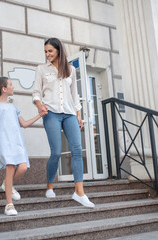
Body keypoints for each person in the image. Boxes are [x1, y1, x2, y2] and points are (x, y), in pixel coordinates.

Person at [33, 37, 95, 208]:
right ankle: (50, 185)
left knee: (76, 149)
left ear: (58, 50)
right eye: (45, 51)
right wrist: (40, 105)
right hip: (51, 113)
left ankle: (79, 192)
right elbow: (36, 92)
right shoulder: (41, 69)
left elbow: (75, 94)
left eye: (50, 51)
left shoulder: (71, 70)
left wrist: (78, 115)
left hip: (69, 114)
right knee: (56, 152)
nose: (47, 54)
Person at [0, 77, 46, 216]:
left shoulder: (13, 107)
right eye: (11, 85)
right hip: (3, 142)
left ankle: (6, 184)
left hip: (17, 142)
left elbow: (24, 124)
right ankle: (9, 205)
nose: (13, 87)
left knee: (23, 167)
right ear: (4, 89)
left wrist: (40, 115)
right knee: (10, 168)